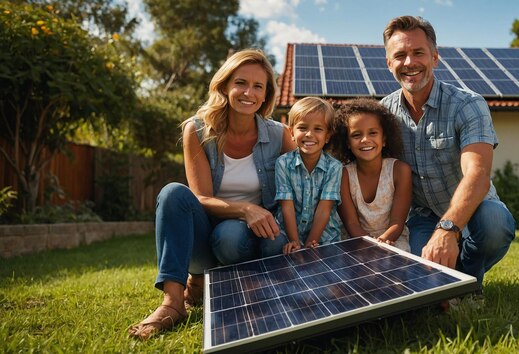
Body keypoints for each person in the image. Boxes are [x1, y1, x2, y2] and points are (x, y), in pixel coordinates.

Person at [128, 49, 296, 339]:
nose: (249, 92)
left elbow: (302, 184)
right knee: (172, 194)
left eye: (258, 86)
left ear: (267, 94)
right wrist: (245, 209)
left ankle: (215, 284)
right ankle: (173, 303)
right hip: (207, 236)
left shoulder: (280, 134)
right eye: (240, 83)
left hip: (256, 238)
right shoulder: (197, 130)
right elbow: (201, 197)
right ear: (225, 85)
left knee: (233, 236)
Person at [380, 16, 516, 290]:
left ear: (435, 57)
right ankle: (448, 284)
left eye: (418, 52)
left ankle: (467, 282)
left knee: (495, 223)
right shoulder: (384, 114)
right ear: (389, 63)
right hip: (422, 216)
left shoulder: (468, 104)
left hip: (476, 209)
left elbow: (477, 173)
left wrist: (448, 229)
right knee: (422, 280)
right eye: (400, 55)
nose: (409, 63)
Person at [264, 97, 343, 255]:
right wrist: (294, 241)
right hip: (289, 232)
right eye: (302, 128)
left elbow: (324, 209)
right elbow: (287, 206)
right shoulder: (283, 163)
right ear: (291, 132)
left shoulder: (334, 167)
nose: (309, 134)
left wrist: (310, 243)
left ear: (327, 136)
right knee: (273, 247)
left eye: (318, 129)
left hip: (324, 235)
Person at [331, 98, 412, 252]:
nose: (365, 140)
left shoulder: (400, 171)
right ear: (347, 142)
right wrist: (371, 245)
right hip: (355, 240)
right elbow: (352, 225)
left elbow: (397, 221)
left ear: (384, 139)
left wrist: (383, 242)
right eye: (356, 135)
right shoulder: (343, 174)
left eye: (373, 133)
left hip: (393, 239)